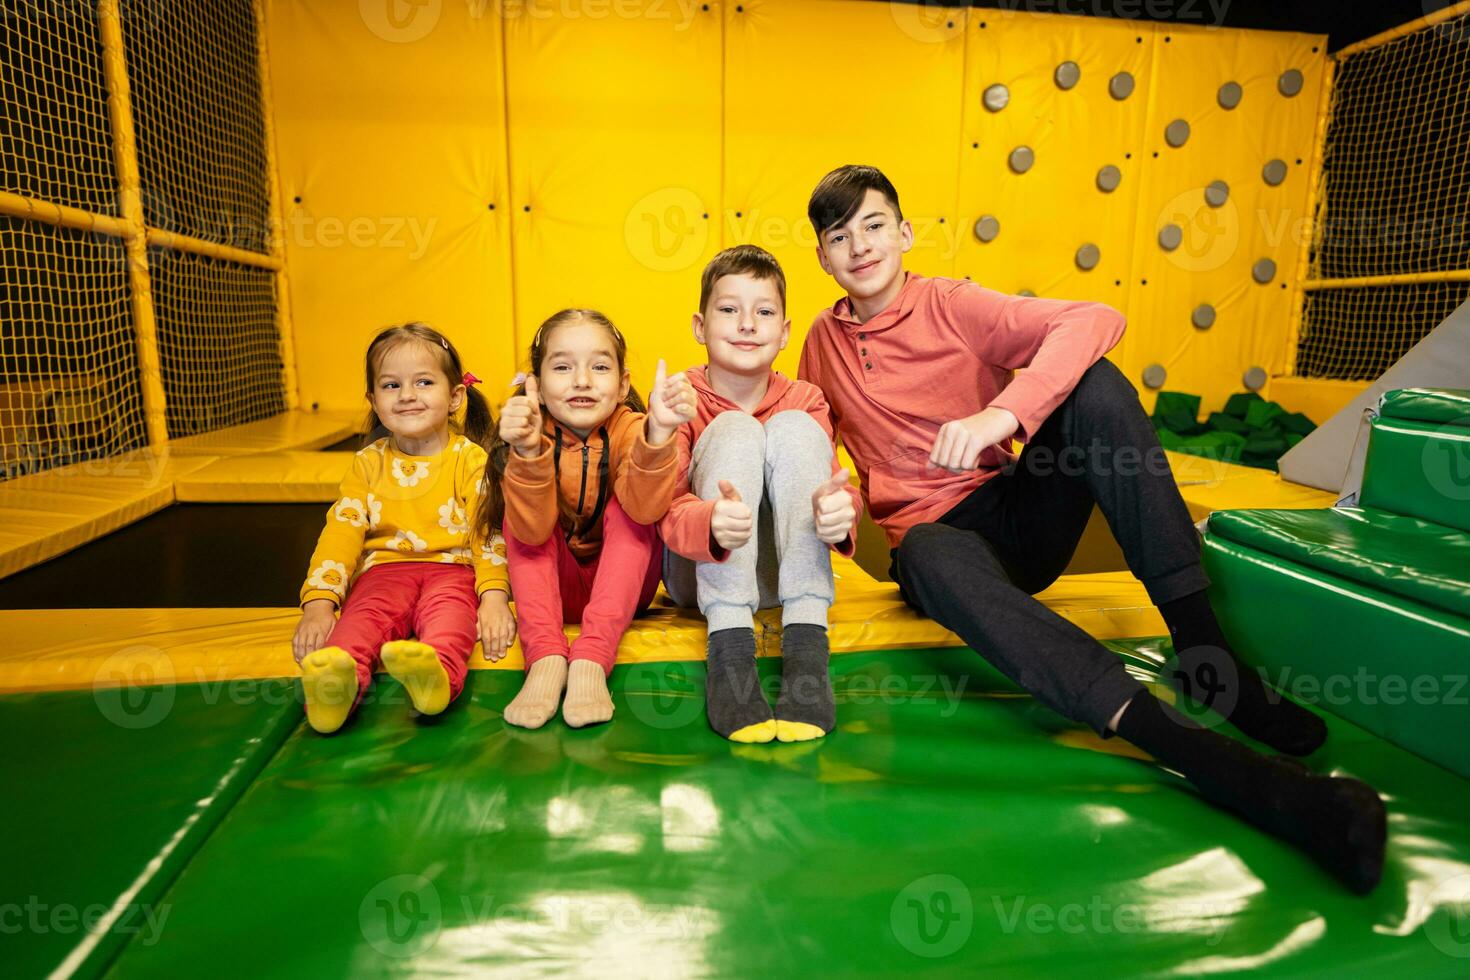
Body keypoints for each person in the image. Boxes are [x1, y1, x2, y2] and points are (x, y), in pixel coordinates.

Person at [797, 164, 1385, 893]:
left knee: (1097, 384)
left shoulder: (950, 303)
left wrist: (1005, 413)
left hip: (1017, 514)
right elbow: (820, 454)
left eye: (874, 224)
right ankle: (1185, 747)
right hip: (938, 544)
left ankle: (1206, 653)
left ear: (906, 234)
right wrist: (838, 513)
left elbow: (1094, 319)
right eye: (839, 234)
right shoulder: (820, 345)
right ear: (823, 258)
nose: (860, 244)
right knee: (925, 555)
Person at [661, 244, 861, 744]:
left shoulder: (806, 399)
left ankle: (807, 652)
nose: (747, 324)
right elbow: (660, 505)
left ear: (784, 331)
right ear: (700, 327)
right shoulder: (682, 397)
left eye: (764, 312)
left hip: (780, 572)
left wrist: (841, 514)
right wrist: (709, 521)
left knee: (794, 428)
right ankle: (729, 657)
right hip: (702, 573)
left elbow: (833, 488)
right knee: (735, 428)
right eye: (729, 310)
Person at [294, 323, 515, 734]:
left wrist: (494, 597)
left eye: (424, 382)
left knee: (452, 624)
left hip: (454, 572)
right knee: (356, 627)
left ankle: (435, 678)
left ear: (455, 397)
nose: (407, 395)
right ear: (373, 400)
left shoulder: (469, 460)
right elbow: (340, 533)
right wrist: (320, 603)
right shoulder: (367, 463)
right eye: (392, 385)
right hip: (382, 574)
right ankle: (333, 690)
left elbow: (489, 533)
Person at [480, 309, 696, 729]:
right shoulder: (530, 428)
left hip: (620, 590)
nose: (582, 380)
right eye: (563, 367)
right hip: (552, 589)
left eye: (599, 367)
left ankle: (591, 660)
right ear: (538, 387)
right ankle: (545, 658)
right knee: (520, 517)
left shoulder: (632, 427)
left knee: (630, 506)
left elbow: (647, 510)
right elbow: (530, 532)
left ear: (623, 385)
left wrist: (659, 435)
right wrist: (526, 454)